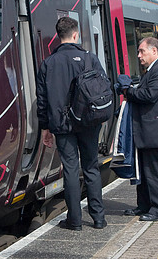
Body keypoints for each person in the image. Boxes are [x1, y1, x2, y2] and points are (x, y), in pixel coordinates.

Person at [37, 16, 107, 230]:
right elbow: (103, 89)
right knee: (91, 167)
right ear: (76, 35)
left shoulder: (48, 63)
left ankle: (75, 221)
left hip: (63, 125)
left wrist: (45, 128)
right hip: (88, 123)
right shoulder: (89, 59)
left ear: (59, 37)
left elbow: (42, 100)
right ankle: (99, 219)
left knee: (70, 169)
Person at [120, 36, 158, 222]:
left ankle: (157, 210)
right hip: (149, 132)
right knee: (144, 172)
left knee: (155, 173)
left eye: (141, 51)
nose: (138, 55)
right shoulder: (152, 70)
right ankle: (144, 205)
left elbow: (148, 95)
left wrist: (128, 90)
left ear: (154, 51)